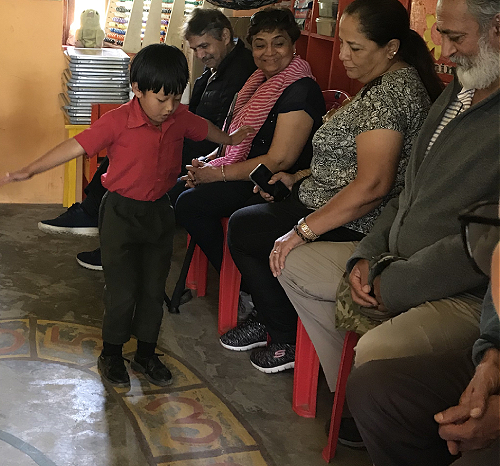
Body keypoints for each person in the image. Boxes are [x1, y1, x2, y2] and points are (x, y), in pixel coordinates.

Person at [278, 0, 499, 436]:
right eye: (441, 33)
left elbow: (483, 244)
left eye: (455, 38)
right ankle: (351, 395)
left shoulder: (422, 91)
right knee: (292, 263)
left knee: (379, 352)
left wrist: (392, 282)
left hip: (464, 291)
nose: (444, 49)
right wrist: (367, 255)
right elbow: (405, 193)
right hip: (392, 255)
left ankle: (367, 404)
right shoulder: (462, 89)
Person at [0, 44, 253, 388]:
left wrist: (229, 139)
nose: (169, 108)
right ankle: (111, 354)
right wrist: (29, 170)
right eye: (161, 99)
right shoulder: (116, 121)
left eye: (176, 99)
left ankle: (146, 353)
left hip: (160, 212)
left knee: (152, 289)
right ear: (137, 88)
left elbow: (203, 127)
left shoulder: (178, 117)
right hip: (120, 213)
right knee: (121, 291)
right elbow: (73, 147)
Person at [223, 0, 443, 373]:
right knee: (250, 213)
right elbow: (347, 164)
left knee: (245, 228)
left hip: (356, 218)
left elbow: (372, 185)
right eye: (342, 44)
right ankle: (273, 316)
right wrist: (296, 177)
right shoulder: (388, 83)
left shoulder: (389, 96)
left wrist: (301, 232)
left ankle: (285, 333)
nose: (343, 56)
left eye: (354, 48)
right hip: (325, 194)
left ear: (390, 47)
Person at [38, 8, 257, 271]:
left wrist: (214, 151)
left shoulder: (242, 72)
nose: (200, 55)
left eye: (204, 46)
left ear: (225, 35)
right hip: (190, 142)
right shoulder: (214, 71)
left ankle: (107, 236)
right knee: (125, 151)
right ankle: (97, 222)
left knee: (136, 160)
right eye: (195, 48)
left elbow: (212, 128)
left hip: (197, 150)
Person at [174, 7, 327, 274]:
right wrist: (207, 163)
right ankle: (231, 272)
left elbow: (279, 159)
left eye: (278, 44)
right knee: (177, 189)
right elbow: (234, 139)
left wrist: (217, 174)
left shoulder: (301, 89)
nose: (269, 52)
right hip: (246, 171)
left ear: (293, 45)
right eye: (260, 45)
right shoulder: (258, 81)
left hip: (271, 184)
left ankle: (240, 280)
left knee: (190, 203)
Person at [346, 202, 500, 466]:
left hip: (450, 287)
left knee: (378, 348)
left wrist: (393, 285)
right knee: (372, 388)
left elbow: (466, 253)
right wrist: (490, 360)